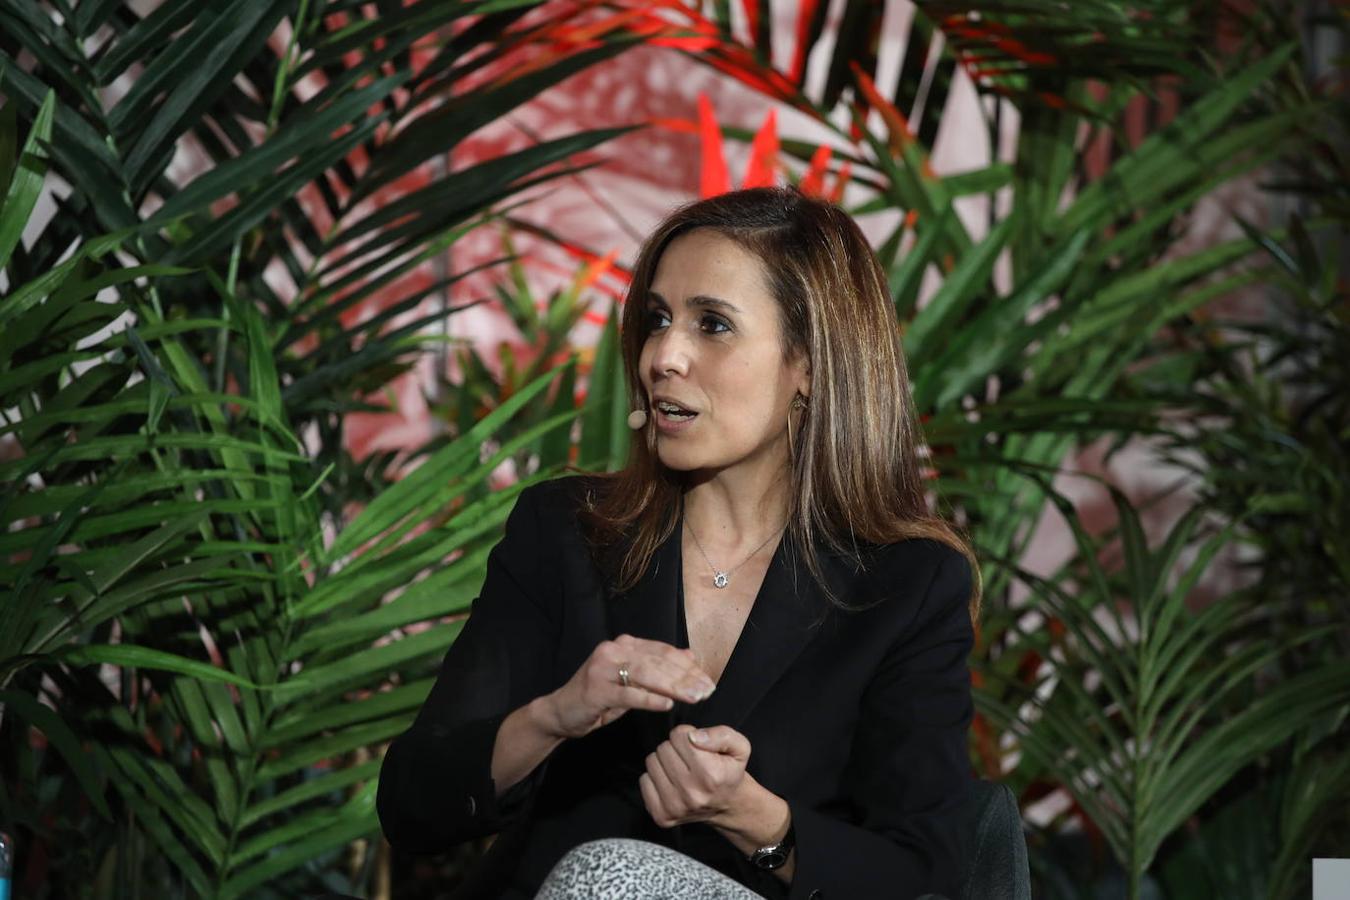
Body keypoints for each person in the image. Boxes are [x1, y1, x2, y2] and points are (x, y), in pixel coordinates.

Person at [377, 186, 980, 899]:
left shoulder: (907, 583)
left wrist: (753, 818)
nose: (664, 354)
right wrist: (554, 716)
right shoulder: (566, 531)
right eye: (657, 319)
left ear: (809, 365)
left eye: (713, 325)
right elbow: (413, 805)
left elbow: (925, 876)